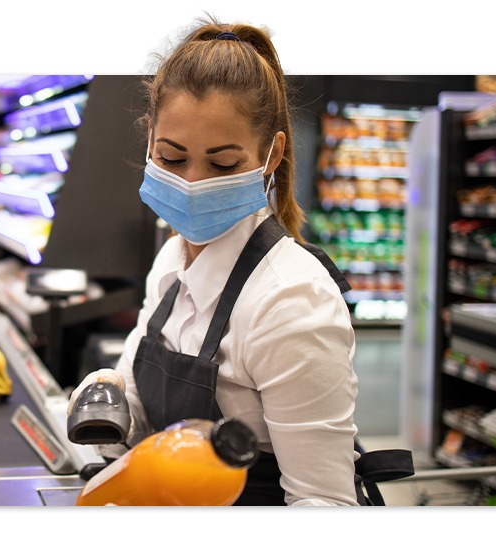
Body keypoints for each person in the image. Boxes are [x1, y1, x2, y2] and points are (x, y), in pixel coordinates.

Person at [69, 18, 364, 506]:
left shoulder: (290, 302)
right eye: (171, 158)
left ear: (272, 155)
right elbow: (138, 421)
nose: (192, 183)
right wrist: (108, 402)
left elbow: (324, 504)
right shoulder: (171, 260)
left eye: (223, 164)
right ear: (149, 141)